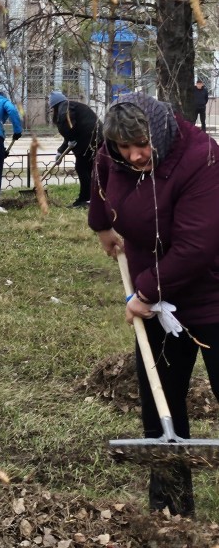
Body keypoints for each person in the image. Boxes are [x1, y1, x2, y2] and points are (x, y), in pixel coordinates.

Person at [89, 92, 219, 517]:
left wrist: (145, 292)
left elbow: (197, 246)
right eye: (124, 147)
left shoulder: (201, 157)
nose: (134, 155)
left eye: (141, 144)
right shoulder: (115, 153)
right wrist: (102, 225)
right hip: (158, 296)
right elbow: (102, 175)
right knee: (160, 400)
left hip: (211, 292)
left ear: (159, 134)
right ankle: (172, 512)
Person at [47, 91, 100, 209]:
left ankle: (85, 199)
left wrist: (71, 138)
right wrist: (60, 151)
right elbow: (70, 131)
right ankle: (91, 199)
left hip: (88, 140)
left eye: (52, 109)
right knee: (87, 169)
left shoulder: (65, 107)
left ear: (55, 106)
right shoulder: (71, 106)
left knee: (82, 167)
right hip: (94, 139)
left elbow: (68, 127)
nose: (52, 112)